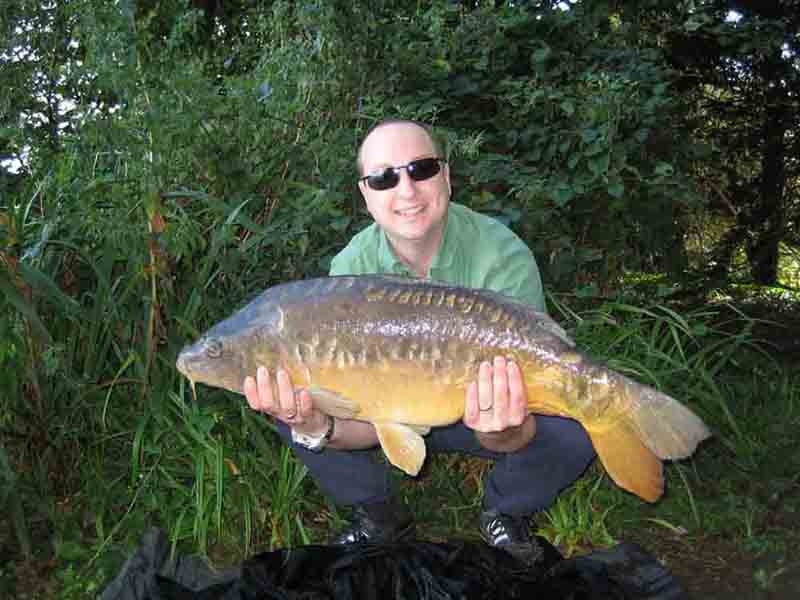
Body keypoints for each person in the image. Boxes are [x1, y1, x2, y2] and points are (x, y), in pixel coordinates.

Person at [242, 119, 595, 564]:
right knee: (284, 398)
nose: (406, 190)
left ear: (446, 176)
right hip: (385, 407)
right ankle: (377, 513)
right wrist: (315, 426)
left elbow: (519, 416)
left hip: (481, 412)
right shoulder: (351, 270)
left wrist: (504, 429)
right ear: (366, 194)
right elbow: (359, 418)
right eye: (384, 178)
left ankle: (507, 510)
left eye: (421, 169)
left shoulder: (502, 255)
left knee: (578, 429)